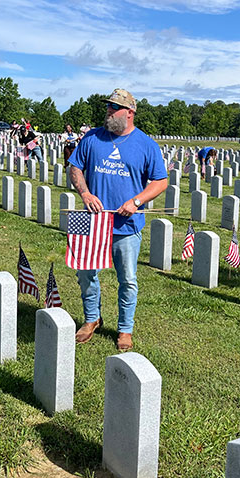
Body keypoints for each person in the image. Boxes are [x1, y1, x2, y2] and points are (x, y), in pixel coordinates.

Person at [69, 88, 168, 350]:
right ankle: (92, 318)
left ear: (130, 113)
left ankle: (125, 329)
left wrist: (136, 201)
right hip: (93, 221)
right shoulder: (92, 138)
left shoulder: (146, 145)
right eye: (108, 107)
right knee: (86, 273)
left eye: (114, 108)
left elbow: (161, 181)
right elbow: (75, 167)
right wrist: (86, 193)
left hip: (126, 226)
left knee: (128, 280)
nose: (109, 112)